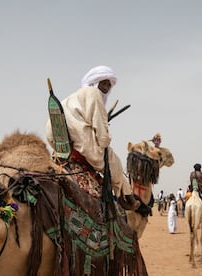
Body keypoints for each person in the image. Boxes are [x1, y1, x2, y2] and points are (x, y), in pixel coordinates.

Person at [46, 65, 140, 211]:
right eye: (104, 83)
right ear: (95, 82)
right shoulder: (93, 94)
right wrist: (105, 141)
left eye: (109, 84)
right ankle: (125, 195)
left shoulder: (71, 98)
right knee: (113, 160)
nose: (107, 87)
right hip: (80, 142)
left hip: (60, 147)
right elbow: (103, 137)